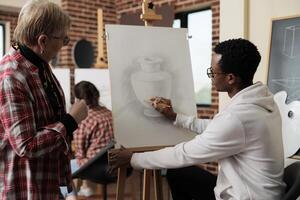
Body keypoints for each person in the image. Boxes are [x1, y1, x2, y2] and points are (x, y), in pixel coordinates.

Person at [109, 38, 286, 200]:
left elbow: (183, 154)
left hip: (247, 196)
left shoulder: (237, 118)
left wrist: (133, 158)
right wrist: (176, 117)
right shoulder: (262, 102)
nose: (210, 77)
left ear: (230, 78)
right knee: (179, 174)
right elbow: (218, 128)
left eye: (213, 73)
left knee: (179, 169)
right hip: (260, 192)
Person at [0, 0, 88, 199]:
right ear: (43, 41)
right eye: (63, 39)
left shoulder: (38, 63)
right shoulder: (12, 77)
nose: (64, 45)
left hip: (46, 181)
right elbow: (27, 146)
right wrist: (70, 121)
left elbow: (48, 120)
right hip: (24, 186)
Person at [71, 81, 114, 196]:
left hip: (96, 169)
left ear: (78, 100)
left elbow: (79, 153)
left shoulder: (84, 120)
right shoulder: (110, 113)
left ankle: (72, 196)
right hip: (118, 167)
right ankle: (86, 188)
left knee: (64, 168)